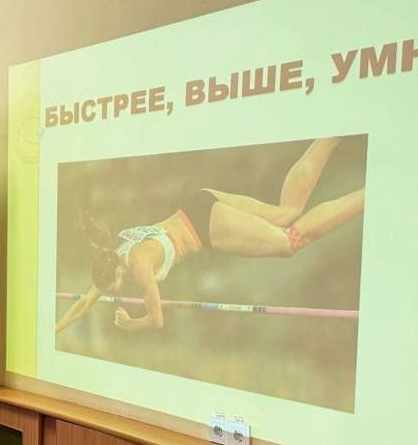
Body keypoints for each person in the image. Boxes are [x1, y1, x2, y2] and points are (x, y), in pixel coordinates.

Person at [56, 137, 365, 333]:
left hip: (204, 227)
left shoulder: (139, 265)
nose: (111, 292)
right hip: (199, 203)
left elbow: (157, 320)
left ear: (114, 275)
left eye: (110, 288)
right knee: (287, 210)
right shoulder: (116, 252)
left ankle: (367, 196)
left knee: (289, 242)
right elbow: (84, 303)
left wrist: (130, 323)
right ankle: (330, 138)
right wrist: (55, 329)